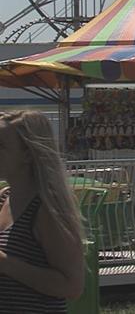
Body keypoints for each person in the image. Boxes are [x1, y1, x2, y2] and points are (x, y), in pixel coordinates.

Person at [0, 111, 85, 312]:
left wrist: (5, 264)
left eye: (0, 145)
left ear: (28, 154)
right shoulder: (3, 198)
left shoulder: (47, 208)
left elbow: (72, 286)